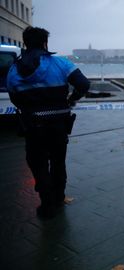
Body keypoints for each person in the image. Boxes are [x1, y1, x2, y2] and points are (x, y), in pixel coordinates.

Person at [7, 27, 90, 218]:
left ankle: (47, 205)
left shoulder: (14, 68)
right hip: (59, 124)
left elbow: (13, 96)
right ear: (45, 43)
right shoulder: (61, 63)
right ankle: (59, 199)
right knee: (58, 162)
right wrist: (72, 99)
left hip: (32, 126)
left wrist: (28, 108)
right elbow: (84, 84)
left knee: (37, 163)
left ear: (25, 44)